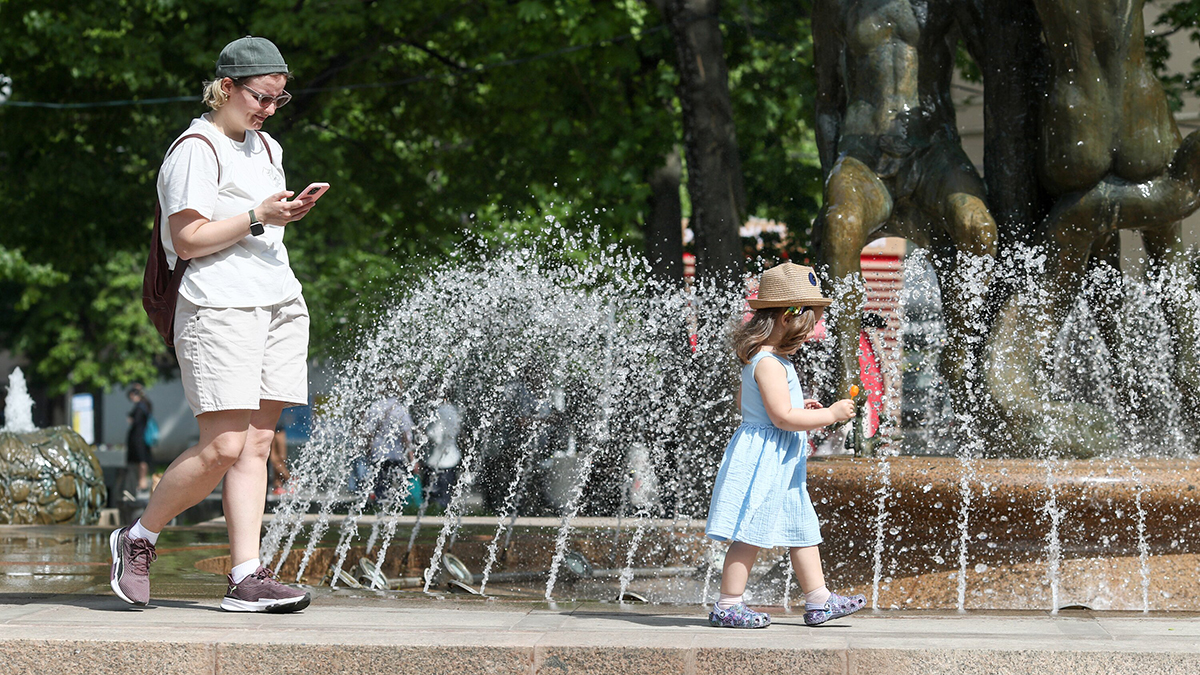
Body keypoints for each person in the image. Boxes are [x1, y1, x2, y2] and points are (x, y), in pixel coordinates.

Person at [110, 36, 314, 613]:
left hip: (278, 300)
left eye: (279, 99)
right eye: (261, 97)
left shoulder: (267, 147)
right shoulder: (195, 149)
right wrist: (256, 216)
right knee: (222, 445)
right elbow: (187, 239)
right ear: (226, 87)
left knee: (255, 445)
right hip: (217, 306)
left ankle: (245, 576)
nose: (269, 110)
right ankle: (139, 537)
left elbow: (260, 228)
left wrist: (282, 215)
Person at [705, 262, 865, 628]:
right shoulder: (768, 363)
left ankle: (819, 599)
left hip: (781, 459)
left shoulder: (767, 360)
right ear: (787, 318)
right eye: (809, 323)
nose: (811, 333)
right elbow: (780, 418)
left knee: (801, 526)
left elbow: (768, 410)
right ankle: (728, 604)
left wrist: (799, 409)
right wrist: (831, 414)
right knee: (751, 529)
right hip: (765, 459)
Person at [365, 379, 415, 506]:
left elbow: (368, 433)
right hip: (396, 454)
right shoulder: (400, 409)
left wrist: (368, 450)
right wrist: (411, 458)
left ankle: (380, 513)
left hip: (378, 454)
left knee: (380, 486)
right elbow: (406, 436)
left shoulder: (374, 407)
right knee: (397, 487)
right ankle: (395, 514)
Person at [423, 399, 461, 510]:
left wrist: (425, 434)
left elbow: (436, 436)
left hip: (437, 460)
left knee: (433, 498)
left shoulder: (439, 410)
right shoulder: (453, 410)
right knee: (447, 498)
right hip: (451, 457)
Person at [125, 384, 153, 493]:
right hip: (139, 437)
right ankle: (141, 481)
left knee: (141, 460)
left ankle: (142, 482)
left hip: (139, 437)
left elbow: (136, 421)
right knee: (140, 460)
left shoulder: (141, 406)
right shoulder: (144, 405)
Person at [269, 418, 290, 496]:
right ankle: (289, 479)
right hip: (270, 425)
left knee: (281, 458)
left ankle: (278, 484)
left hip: (278, 425)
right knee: (274, 458)